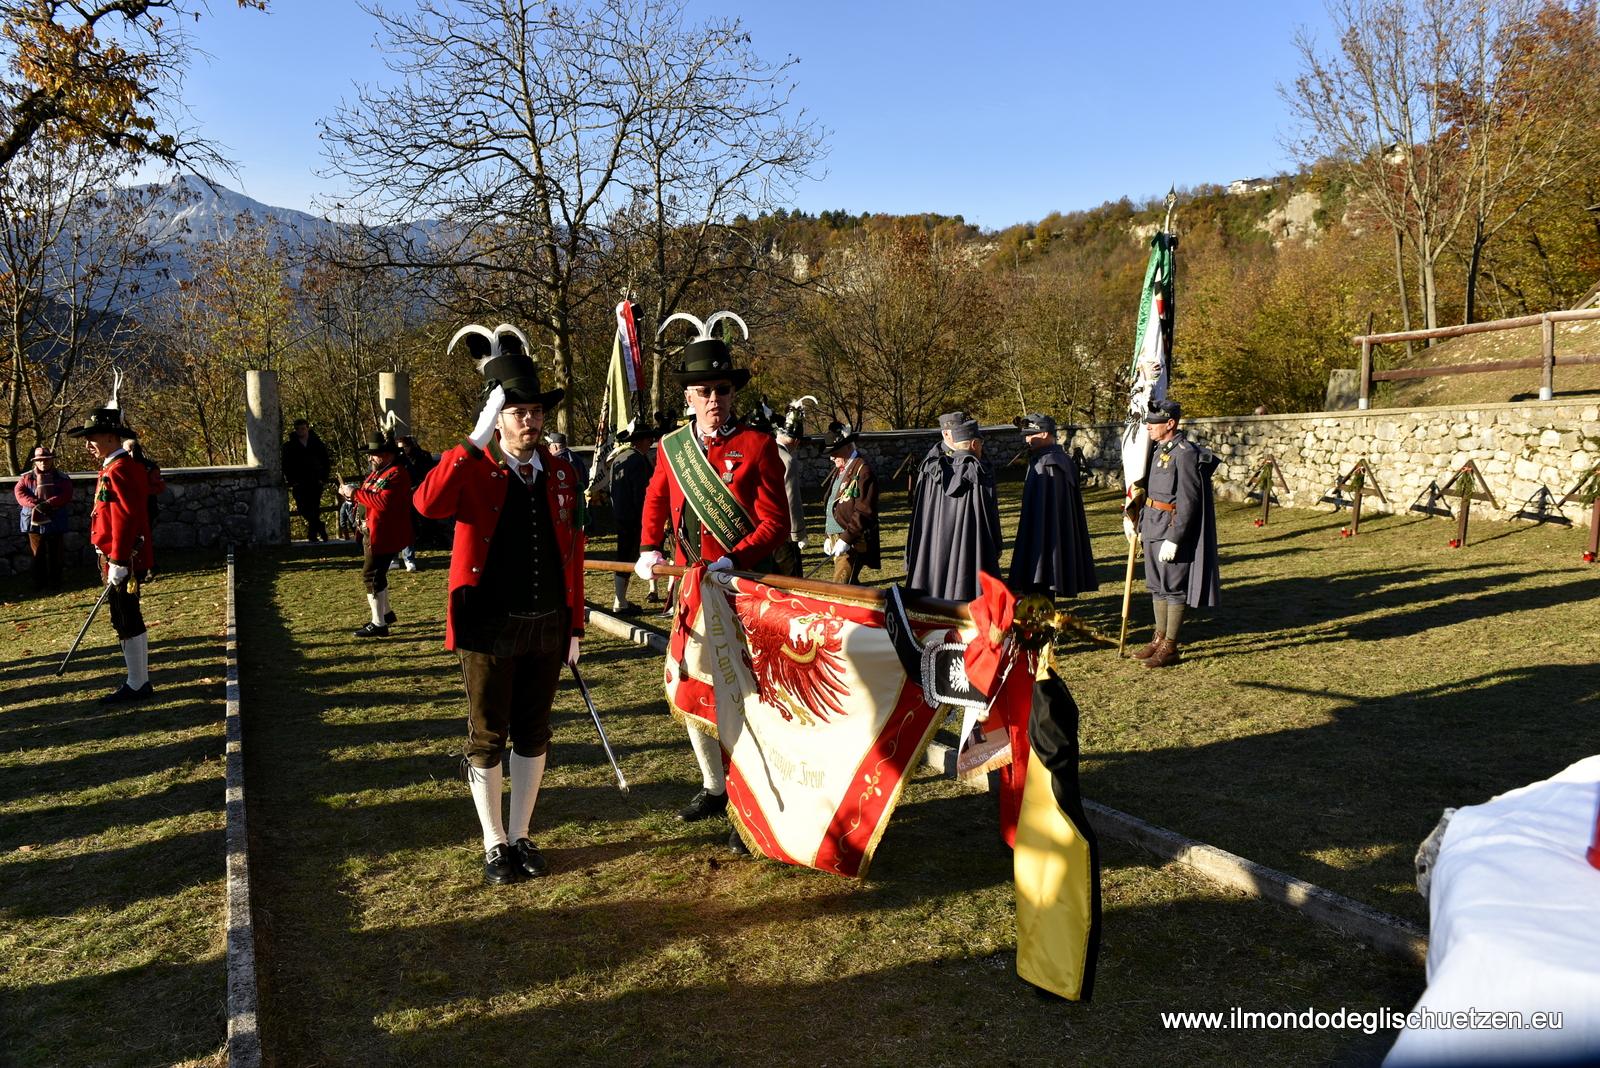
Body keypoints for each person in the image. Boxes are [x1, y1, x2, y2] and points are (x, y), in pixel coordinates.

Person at [415, 323, 585, 885]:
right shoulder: (474, 468)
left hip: (546, 621)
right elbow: (428, 504)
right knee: (487, 733)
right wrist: (471, 440)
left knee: (534, 731)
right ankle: (493, 843)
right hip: (488, 625)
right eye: (517, 412)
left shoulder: (560, 470)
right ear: (498, 417)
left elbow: (572, 551)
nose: (530, 421)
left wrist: (575, 622)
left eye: (535, 411)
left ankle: (521, 835)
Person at [634, 310, 788, 847]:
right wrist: (647, 547)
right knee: (695, 685)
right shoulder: (673, 449)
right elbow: (656, 499)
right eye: (704, 390)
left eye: (722, 388)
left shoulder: (758, 446)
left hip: (743, 588)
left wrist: (735, 558)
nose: (715, 398)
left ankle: (752, 803)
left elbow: (776, 524)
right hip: (690, 589)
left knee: (745, 694)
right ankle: (714, 786)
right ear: (689, 398)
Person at [67, 407, 155, 702]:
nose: (87, 444)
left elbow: (125, 518)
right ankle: (138, 680)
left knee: (126, 618)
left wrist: (117, 559)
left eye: (91, 437)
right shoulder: (114, 467)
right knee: (127, 616)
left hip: (124, 559)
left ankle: (137, 683)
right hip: (120, 557)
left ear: (109, 436)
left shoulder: (119, 469)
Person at [1125, 399, 1220, 668]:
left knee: (1173, 589)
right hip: (1153, 523)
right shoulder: (1158, 450)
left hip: (1170, 528)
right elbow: (1151, 493)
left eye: (1153, 423)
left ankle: (1170, 647)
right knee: (1157, 586)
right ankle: (1158, 638)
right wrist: (1141, 524)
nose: (1148, 428)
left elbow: (1189, 500)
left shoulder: (1185, 452)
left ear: (1170, 423)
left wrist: (1175, 537)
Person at [904, 418, 1001, 601]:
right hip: (971, 550)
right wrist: (994, 546)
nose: (982, 449)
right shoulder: (976, 472)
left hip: (933, 548)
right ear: (974, 443)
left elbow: (920, 515)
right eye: (981, 444)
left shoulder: (933, 469)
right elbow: (988, 516)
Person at [1009, 413, 1098, 600]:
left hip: (1046, 542)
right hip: (1037, 538)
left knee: (1042, 590)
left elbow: (1051, 515)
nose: (1026, 439)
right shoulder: (1042, 460)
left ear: (1043, 434)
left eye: (1030, 434)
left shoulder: (1051, 464)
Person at [339, 435, 413, 638]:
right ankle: (386, 614)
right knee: (377, 574)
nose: (370, 458)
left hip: (385, 533)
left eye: (375, 455)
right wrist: (350, 495)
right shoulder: (376, 474)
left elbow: (383, 503)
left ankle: (379, 623)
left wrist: (355, 494)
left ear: (387, 455)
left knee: (371, 575)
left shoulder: (397, 474)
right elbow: (367, 497)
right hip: (371, 531)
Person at [606, 415, 659, 614]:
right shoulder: (637, 461)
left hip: (620, 514)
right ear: (640, 440)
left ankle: (621, 600)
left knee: (624, 557)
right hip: (635, 517)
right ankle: (620, 602)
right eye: (648, 439)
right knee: (638, 556)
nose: (650, 442)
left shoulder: (620, 458)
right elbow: (642, 494)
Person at [820, 422, 879, 585]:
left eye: (834, 452)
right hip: (836, 536)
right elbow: (832, 501)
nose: (832, 458)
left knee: (840, 587)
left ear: (847, 447)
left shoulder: (863, 470)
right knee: (850, 585)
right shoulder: (842, 467)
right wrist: (828, 535)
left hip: (851, 538)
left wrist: (846, 539)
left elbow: (864, 510)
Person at [14, 445, 74, 590]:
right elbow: (19, 493)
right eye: (40, 460)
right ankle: (39, 583)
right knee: (37, 553)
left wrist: (49, 503)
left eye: (46, 460)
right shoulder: (26, 477)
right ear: (35, 461)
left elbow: (66, 494)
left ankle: (56, 582)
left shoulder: (62, 478)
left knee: (56, 553)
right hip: (33, 521)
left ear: (51, 460)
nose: (43, 463)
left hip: (55, 520)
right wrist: (35, 503)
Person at [772, 403, 808, 577]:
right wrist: (798, 534)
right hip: (782, 532)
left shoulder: (764, 451)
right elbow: (792, 499)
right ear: (796, 441)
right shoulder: (787, 460)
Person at [282, 419, 332, 542]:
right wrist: (292, 480)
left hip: (315, 480)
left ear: (307, 428)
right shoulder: (289, 446)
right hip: (299, 482)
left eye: (303, 428)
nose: (301, 431)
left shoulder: (317, 443)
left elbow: (326, 461)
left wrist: (323, 478)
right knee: (303, 508)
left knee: (314, 508)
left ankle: (312, 536)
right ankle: (320, 526)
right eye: (298, 429)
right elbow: (286, 464)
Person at [394, 436, 438, 571]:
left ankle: (409, 557)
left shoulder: (421, 457)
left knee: (409, 526)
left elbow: (427, 474)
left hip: (416, 493)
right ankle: (394, 558)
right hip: (398, 496)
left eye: (405, 447)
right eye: (400, 448)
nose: (403, 450)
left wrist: (416, 487)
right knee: (395, 527)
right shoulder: (395, 459)